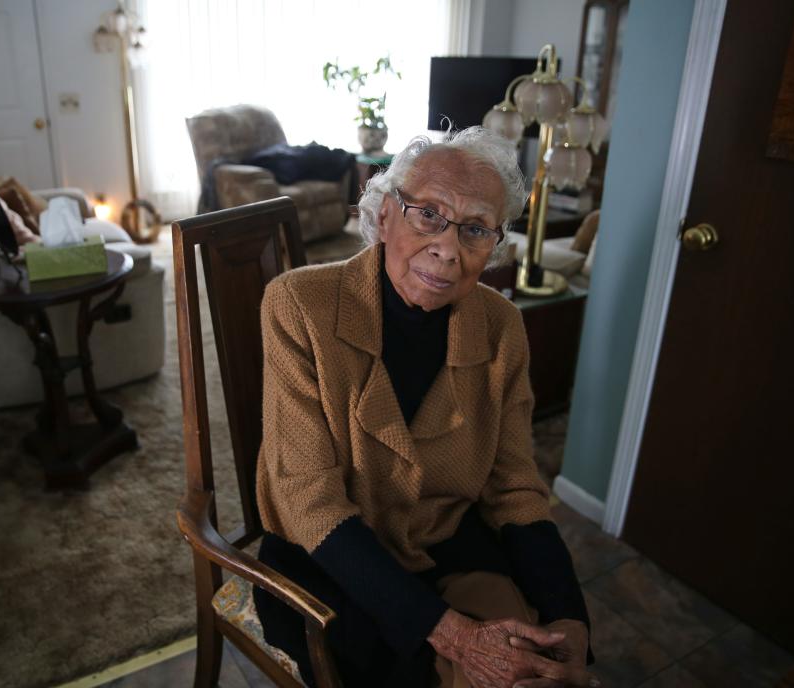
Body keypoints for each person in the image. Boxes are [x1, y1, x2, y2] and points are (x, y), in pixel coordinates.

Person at [253, 127, 597, 688]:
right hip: (329, 561)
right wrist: (455, 635)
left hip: (445, 542)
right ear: (385, 216)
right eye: (428, 214)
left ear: (494, 244)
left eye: (476, 228)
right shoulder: (299, 305)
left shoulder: (503, 328)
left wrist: (571, 620)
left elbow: (514, 489)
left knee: (536, 661)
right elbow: (306, 500)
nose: (447, 247)